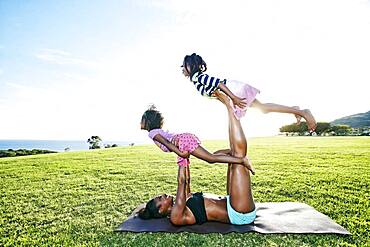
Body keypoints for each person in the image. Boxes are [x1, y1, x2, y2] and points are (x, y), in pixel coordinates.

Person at [139, 91, 256, 225]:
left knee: (233, 153)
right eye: (161, 198)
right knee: (239, 155)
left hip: (232, 201)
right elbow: (181, 182)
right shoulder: (176, 216)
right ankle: (230, 106)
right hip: (238, 213)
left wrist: (185, 159)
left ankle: (229, 108)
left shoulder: (184, 200)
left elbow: (186, 180)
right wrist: (181, 158)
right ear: (161, 210)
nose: (164, 194)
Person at [182, 53, 317, 132]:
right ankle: (295, 110)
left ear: (191, 66)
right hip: (234, 92)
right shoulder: (196, 80)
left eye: (184, 65)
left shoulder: (198, 77)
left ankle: (303, 112)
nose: (182, 68)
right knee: (263, 108)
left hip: (235, 92)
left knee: (251, 114)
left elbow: (219, 84)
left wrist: (234, 98)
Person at [140, 105, 254, 174]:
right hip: (183, 140)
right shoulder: (157, 131)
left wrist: (180, 153)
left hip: (183, 142)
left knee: (211, 158)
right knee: (210, 156)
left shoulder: (152, 133)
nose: (140, 123)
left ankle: (242, 160)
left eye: (142, 120)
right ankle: (229, 151)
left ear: (148, 122)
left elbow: (166, 142)